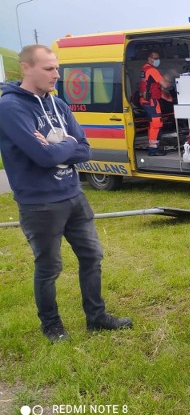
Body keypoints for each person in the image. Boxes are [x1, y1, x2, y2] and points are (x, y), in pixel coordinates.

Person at [0, 45, 133, 342]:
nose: (56, 75)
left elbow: (85, 149)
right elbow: (42, 157)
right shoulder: (10, 108)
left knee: (92, 256)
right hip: (40, 202)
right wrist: (65, 146)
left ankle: (96, 317)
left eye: (56, 68)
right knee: (49, 267)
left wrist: (59, 147)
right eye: (48, 68)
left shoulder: (58, 105)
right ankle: (52, 326)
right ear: (26, 68)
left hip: (73, 194)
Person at [139, 51, 174, 156]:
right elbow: (165, 85)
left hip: (145, 100)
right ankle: (153, 150)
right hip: (151, 101)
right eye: (155, 58)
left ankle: (153, 147)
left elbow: (152, 86)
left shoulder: (144, 69)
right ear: (149, 58)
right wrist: (173, 79)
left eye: (158, 58)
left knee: (153, 125)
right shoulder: (152, 70)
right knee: (156, 124)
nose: (157, 60)